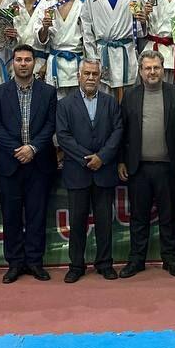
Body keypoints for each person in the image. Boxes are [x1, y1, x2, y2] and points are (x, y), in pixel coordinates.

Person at [0, 45, 58, 282]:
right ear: (13, 63)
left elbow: (51, 124)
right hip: (9, 163)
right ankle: (15, 263)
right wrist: (17, 150)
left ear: (34, 63)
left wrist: (33, 148)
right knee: (11, 216)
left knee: (37, 215)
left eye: (28, 60)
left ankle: (35, 262)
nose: (23, 64)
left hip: (39, 163)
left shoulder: (48, 92)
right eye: (19, 60)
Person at [119, 50, 175, 277]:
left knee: (169, 216)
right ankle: (136, 260)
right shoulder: (130, 95)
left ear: (163, 69)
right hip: (139, 167)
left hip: (168, 167)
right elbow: (122, 131)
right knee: (138, 217)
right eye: (147, 68)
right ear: (140, 71)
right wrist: (121, 161)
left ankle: (170, 259)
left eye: (156, 67)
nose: (152, 72)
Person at [56, 60, 124, 282]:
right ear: (79, 76)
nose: (91, 77)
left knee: (105, 222)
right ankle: (76, 265)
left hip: (104, 171)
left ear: (100, 77)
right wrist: (87, 159)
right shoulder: (65, 104)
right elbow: (63, 136)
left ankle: (105, 263)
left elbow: (118, 131)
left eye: (95, 74)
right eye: (87, 73)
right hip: (78, 172)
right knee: (77, 222)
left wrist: (102, 157)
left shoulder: (110, 102)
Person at [82, 0, 141, 98]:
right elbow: (87, 30)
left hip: (125, 51)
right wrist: (92, 57)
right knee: (104, 97)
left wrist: (144, 21)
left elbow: (138, 26)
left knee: (129, 97)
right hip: (103, 53)